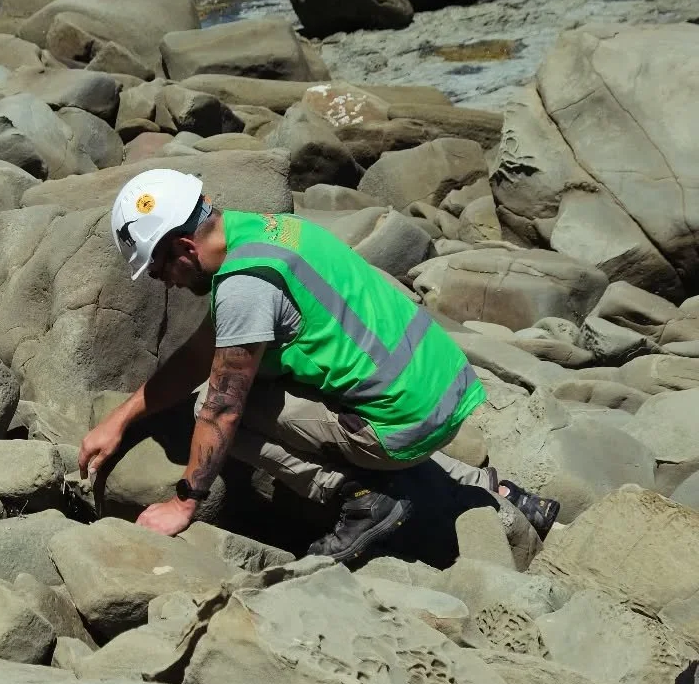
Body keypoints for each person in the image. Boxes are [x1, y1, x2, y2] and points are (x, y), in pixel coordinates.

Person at [79, 168, 559, 563]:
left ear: (184, 249)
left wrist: (185, 501)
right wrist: (120, 420)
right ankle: (493, 492)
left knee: (215, 404)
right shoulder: (266, 231)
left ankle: (358, 497)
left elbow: (222, 406)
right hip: (441, 389)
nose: (165, 283)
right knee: (336, 391)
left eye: (160, 269)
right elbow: (200, 354)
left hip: (404, 423)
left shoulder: (245, 286)